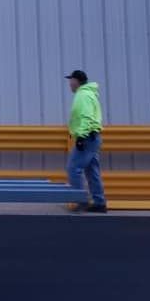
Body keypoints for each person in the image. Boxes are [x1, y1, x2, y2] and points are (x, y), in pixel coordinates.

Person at [65, 70, 106, 213]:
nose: (69, 84)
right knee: (92, 171)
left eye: (71, 80)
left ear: (77, 81)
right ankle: (99, 202)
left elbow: (86, 117)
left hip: (87, 137)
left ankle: (81, 201)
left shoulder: (82, 95)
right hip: (93, 137)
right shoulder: (89, 94)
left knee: (73, 169)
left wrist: (81, 137)